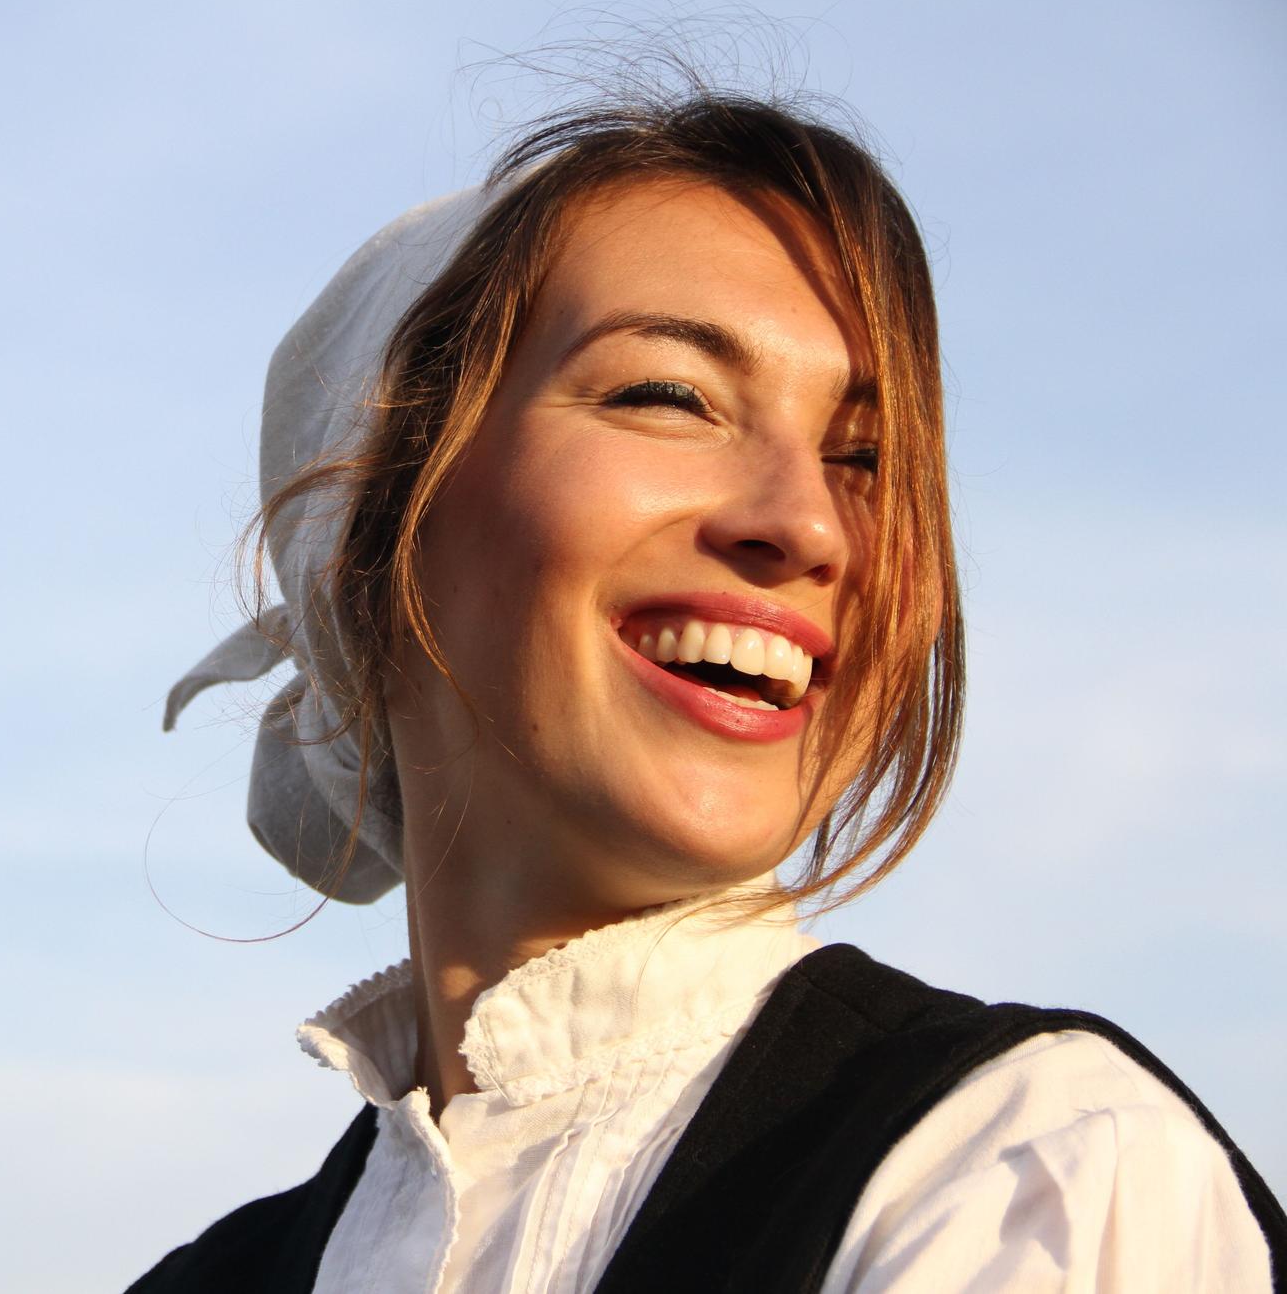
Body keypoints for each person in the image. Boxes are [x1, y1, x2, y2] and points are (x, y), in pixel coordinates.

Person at [137, 87, 1284, 1291]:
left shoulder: (1024, 1172)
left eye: (864, 459)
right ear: (372, 531)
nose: (805, 523)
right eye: (668, 396)